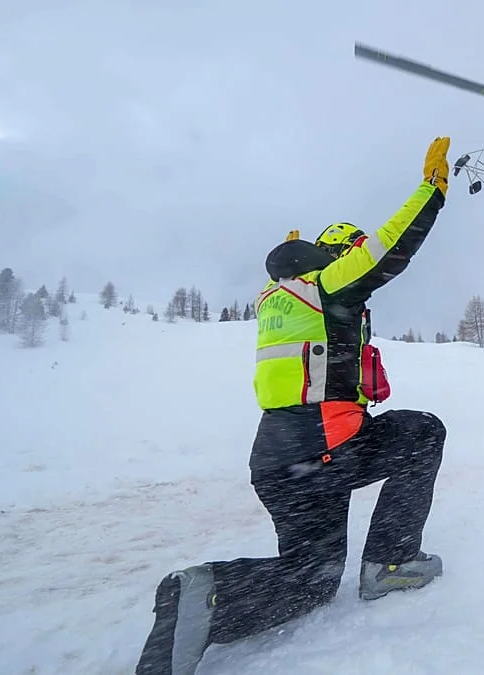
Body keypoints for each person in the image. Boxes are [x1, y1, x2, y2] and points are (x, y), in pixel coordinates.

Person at [135, 136, 454, 675]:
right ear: (335, 256)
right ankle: (391, 563)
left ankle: (203, 594)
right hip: (325, 449)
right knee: (422, 432)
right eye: (350, 252)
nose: (359, 263)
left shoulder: (278, 296)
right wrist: (431, 191)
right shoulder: (329, 285)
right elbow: (389, 248)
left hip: (280, 465)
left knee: (312, 580)